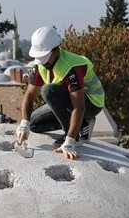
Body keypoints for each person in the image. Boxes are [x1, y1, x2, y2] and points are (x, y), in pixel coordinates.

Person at [15, 26, 105, 160]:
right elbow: (29, 95)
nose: (43, 63)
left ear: (56, 50)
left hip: (91, 102)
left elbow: (79, 107)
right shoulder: (40, 64)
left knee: (48, 90)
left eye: (45, 57)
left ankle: (75, 133)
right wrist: (24, 123)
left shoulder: (71, 67)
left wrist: (69, 142)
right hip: (69, 100)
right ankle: (83, 124)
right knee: (34, 123)